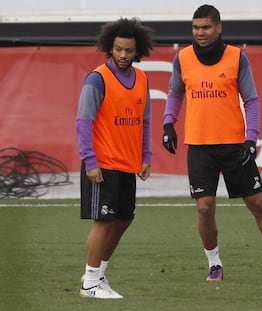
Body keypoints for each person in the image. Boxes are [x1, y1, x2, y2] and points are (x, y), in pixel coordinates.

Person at [162, 4, 262, 282]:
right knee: (205, 208)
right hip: (200, 147)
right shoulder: (183, 58)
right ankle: (214, 264)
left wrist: (251, 139)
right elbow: (175, 93)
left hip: (234, 146)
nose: (200, 33)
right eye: (195, 28)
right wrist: (169, 123)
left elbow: (251, 99)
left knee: (258, 203)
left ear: (219, 28)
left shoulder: (236, 58)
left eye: (205, 27)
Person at [76, 17, 154, 299]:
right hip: (103, 163)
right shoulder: (97, 78)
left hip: (127, 165)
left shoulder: (142, 78)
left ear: (138, 51)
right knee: (104, 221)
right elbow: (83, 121)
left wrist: (145, 156)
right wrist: (90, 161)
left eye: (129, 50)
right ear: (110, 48)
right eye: (118, 49)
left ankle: (98, 274)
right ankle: (90, 284)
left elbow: (145, 120)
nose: (123, 55)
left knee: (123, 219)